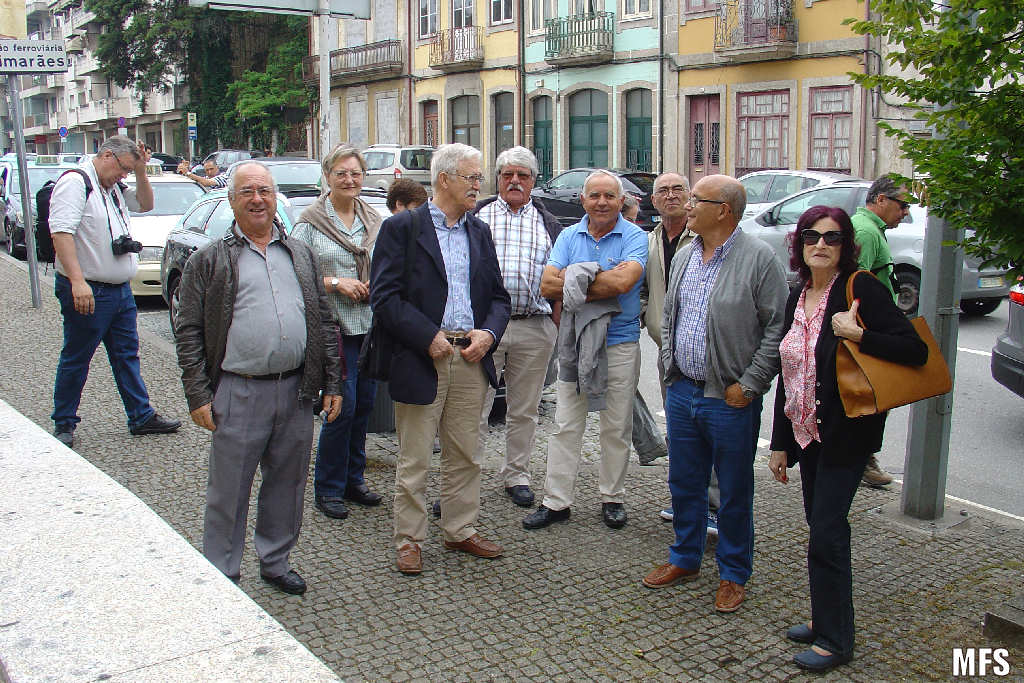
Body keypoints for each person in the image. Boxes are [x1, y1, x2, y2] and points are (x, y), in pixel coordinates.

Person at [768, 206, 927, 671]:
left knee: (828, 533)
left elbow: (915, 350)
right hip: (807, 435)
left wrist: (859, 334)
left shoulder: (861, 289)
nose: (821, 245)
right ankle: (824, 619)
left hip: (846, 436)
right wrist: (780, 442)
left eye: (832, 237)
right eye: (812, 236)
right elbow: (790, 373)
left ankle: (837, 640)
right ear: (799, 243)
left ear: (846, 246)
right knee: (820, 528)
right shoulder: (798, 295)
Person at [174, 161, 343, 595]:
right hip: (239, 390)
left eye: (264, 191)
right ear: (232, 200)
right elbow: (188, 329)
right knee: (229, 489)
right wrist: (197, 394)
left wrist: (332, 382)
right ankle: (222, 571)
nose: (257, 200)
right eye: (247, 191)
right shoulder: (209, 259)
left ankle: (276, 560)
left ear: (275, 198)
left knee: (287, 484)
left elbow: (323, 321)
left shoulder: (299, 254)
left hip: (296, 391)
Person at [642, 174, 787, 614]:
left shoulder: (760, 259)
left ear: (723, 210)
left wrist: (750, 385)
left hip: (729, 399)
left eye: (696, 200)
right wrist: (669, 364)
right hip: (682, 390)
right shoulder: (687, 255)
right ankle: (685, 557)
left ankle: (733, 573)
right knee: (684, 482)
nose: (687, 205)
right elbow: (670, 315)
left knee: (733, 489)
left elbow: (776, 330)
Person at [369, 143, 511, 575]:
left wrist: (489, 334)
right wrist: (425, 336)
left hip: (470, 355)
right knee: (415, 457)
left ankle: (459, 529)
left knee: (466, 453)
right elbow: (384, 297)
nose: (478, 185)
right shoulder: (402, 228)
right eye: (471, 177)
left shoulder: (479, 231)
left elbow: (499, 298)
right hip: (422, 356)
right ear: (443, 179)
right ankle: (409, 540)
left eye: (479, 177)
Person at [522, 170, 647, 531]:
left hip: (620, 342)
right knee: (565, 424)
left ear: (621, 201)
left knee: (616, 426)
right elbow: (547, 286)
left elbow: (624, 282)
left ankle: (613, 498)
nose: (602, 202)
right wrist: (601, 278)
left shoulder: (635, 236)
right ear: (583, 200)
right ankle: (556, 502)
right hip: (575, 343)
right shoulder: (567, 235)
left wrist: (575, 278)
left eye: (609, 196)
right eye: (595, 196)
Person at [49, 135, 181, 447]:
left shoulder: (113, 188)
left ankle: (140, 415)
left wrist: (141, 170)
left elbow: (145, 204)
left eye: (128, 172)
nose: (124, 176)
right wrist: (77, 281)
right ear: (107, 155)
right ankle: (64, 422)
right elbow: (61, 233)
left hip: (120, 290)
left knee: (126, 355)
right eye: (123, 169)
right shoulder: (76, 183)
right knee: (78, 356)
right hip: (89, 288)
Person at [291, 144, 383, 520]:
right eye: (341, 173)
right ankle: (327, 487)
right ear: (327, 177)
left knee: (364, 407)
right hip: (334, 330)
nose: (349, 179)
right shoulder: (310, 223)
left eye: (355, 173)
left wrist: (378, 284)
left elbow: (389, 265)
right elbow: (296, 274)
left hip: (370, 329)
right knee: (340, 408)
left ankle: (353, 480)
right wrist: (335, 283)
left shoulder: (374, 219)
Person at [472, 146, 562, 508]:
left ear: (533, 181)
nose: (514, 181)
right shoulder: (477, 216)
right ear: (497, 179)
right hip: (483, 330)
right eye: (507, 174)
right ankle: (464, 479)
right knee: (473, 408)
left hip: (533, 327)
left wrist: (555, 324)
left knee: (524, 409)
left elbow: (562, 275)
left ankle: (517, 475)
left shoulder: (548, 223)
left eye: (522, 176)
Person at [640, 173, 719, 536]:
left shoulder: (703, 236)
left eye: (677, 190)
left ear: (689, 197)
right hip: (667, 351)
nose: (670, 196)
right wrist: (648, 316)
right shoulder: (650, 240)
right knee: (680, 428)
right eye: (663, 191)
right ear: (653, 200)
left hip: (705, 351)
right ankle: (685, 499)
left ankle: (713, 505)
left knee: (710, 428)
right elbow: (643, 289)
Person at [850, 174, 912, 488]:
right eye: (903, 205)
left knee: (878, 398)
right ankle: (860, 459)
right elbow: (853, 287)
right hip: (867, 334)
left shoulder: (872, 229)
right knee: (872, 398)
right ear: (881, 200)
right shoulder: (865, 231)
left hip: (873, 331)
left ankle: (862, 456)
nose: (906, 213)